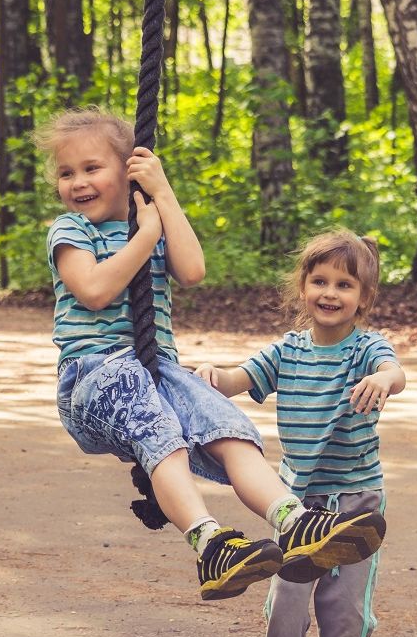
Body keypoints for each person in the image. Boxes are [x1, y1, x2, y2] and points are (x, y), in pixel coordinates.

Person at [34, 107, 386, 602]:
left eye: (92, 168)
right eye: (67, 173)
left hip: (155, 370)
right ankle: (209, 542)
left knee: (228, 427)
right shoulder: (72, 231)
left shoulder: (150, 219)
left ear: (130, 170)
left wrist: (163, 196)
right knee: (162, 435)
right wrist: (146, 237)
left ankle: (295, 522)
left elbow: (193, 269)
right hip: (93, 375)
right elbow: (93, 291)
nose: (78, 182)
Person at [193, 231, 405, 637]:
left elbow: (394, 371)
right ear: (303, 287)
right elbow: (236, 379)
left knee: (346, 615)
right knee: (284, 606)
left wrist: (385, 380)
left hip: (356, 507)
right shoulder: (287, 350)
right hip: (297, 509)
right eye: (320, 281)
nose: (330, 293)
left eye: (345, 284)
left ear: (364, 298)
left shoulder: (366, 350)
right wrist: (204, 376)